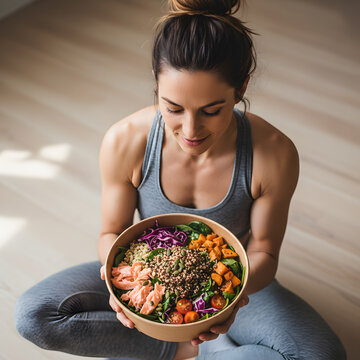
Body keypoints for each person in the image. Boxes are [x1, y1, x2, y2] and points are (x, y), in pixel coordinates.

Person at [15, 0, 347, 359]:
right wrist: (123, 282)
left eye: (211, 110)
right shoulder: (125, 141)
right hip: (149, 272)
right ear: (156, 85)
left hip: (232, 285)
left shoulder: (275, 153)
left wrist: (227, 304)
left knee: (321, 354)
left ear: (241, 88)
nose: (190, 130)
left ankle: (206, 347)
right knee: (34, 315)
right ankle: (183, 351)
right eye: (172, 108)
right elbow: (112, 232)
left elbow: (264, 250)